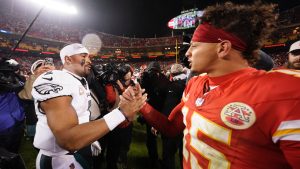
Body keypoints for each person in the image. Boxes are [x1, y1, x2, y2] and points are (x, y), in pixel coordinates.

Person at [123, 2, 300, 169]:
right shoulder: (196, 84)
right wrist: (142, 105)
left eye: (195, 46)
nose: (188, 53)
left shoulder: (284, 91)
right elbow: (171, 129)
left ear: (222, 48)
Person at [31, 43, 146, 169]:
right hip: (60, 159)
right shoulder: (54, 78)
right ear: (68, 59)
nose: (89, 61)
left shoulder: (79, 80)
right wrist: (121, 112)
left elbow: (81, 118)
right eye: (83, 56)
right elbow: (69, 140)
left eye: (89, 57)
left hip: (77, 151)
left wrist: (89, 139)